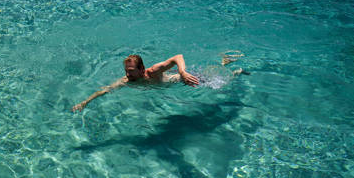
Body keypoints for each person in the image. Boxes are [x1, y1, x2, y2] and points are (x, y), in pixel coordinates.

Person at [71, 52, 245, 112]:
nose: (128, 75)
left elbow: (178, 57)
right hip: (177, 83)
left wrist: (183, 72)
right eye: (126, 71)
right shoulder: (128, 81)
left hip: (183, 79)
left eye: (131, 71)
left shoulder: (153, 71)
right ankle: (224, 62)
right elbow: (106, 90)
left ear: (142, 69)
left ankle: (233, 68)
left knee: (219, 82)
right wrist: (84, 102)